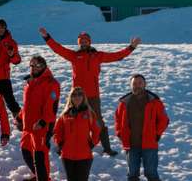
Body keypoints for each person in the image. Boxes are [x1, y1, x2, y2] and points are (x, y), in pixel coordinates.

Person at [39, 27, 140, 156]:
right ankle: (61, 145)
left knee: (98, 121)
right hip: (76, 95)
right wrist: (47, 37)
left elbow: (116, 56)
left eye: (86, 41)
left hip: (93, 95)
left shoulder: (97, 56)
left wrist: (131, 47)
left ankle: (107, 148)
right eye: (81, 41)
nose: (83, 43)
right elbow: (58, 49)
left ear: (90, 42)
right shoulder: (74, 56)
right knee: (68, 120)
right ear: (79, 43)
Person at [115, 74, 169, 181]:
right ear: (131, 85)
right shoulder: (124, 102)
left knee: (151, 172)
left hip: (149, 145)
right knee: (132, 173)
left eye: (140, 83)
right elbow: (117, 120)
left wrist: (156, 134)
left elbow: (164, 120)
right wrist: (120, 134)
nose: (137, 85)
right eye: (134, 83)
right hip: (131, 145)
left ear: (144, 85)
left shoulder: (154, 101)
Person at [53, 87, 100, 181]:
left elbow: (97, 130)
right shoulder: (65, 114)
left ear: (83, 97)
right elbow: (57, 131)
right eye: (74, 95)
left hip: (84, 155)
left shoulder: (89, 113)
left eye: (80, 94)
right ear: (71, 97)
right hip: (67, 155)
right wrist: (60, 144)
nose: (77, 97)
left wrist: (92, 144)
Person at [18, 55, 60, 181]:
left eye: (38, 65)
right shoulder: (30, 82)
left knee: (39, 155)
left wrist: (43, 121)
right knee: (25, 150)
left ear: (44, 66)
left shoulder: (51, 83)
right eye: (32, 65)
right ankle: (39, 175)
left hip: (41, 126)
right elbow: (27, 105)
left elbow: (51, 107)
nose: (34, 68)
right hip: (28, 125)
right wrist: (20, 117)